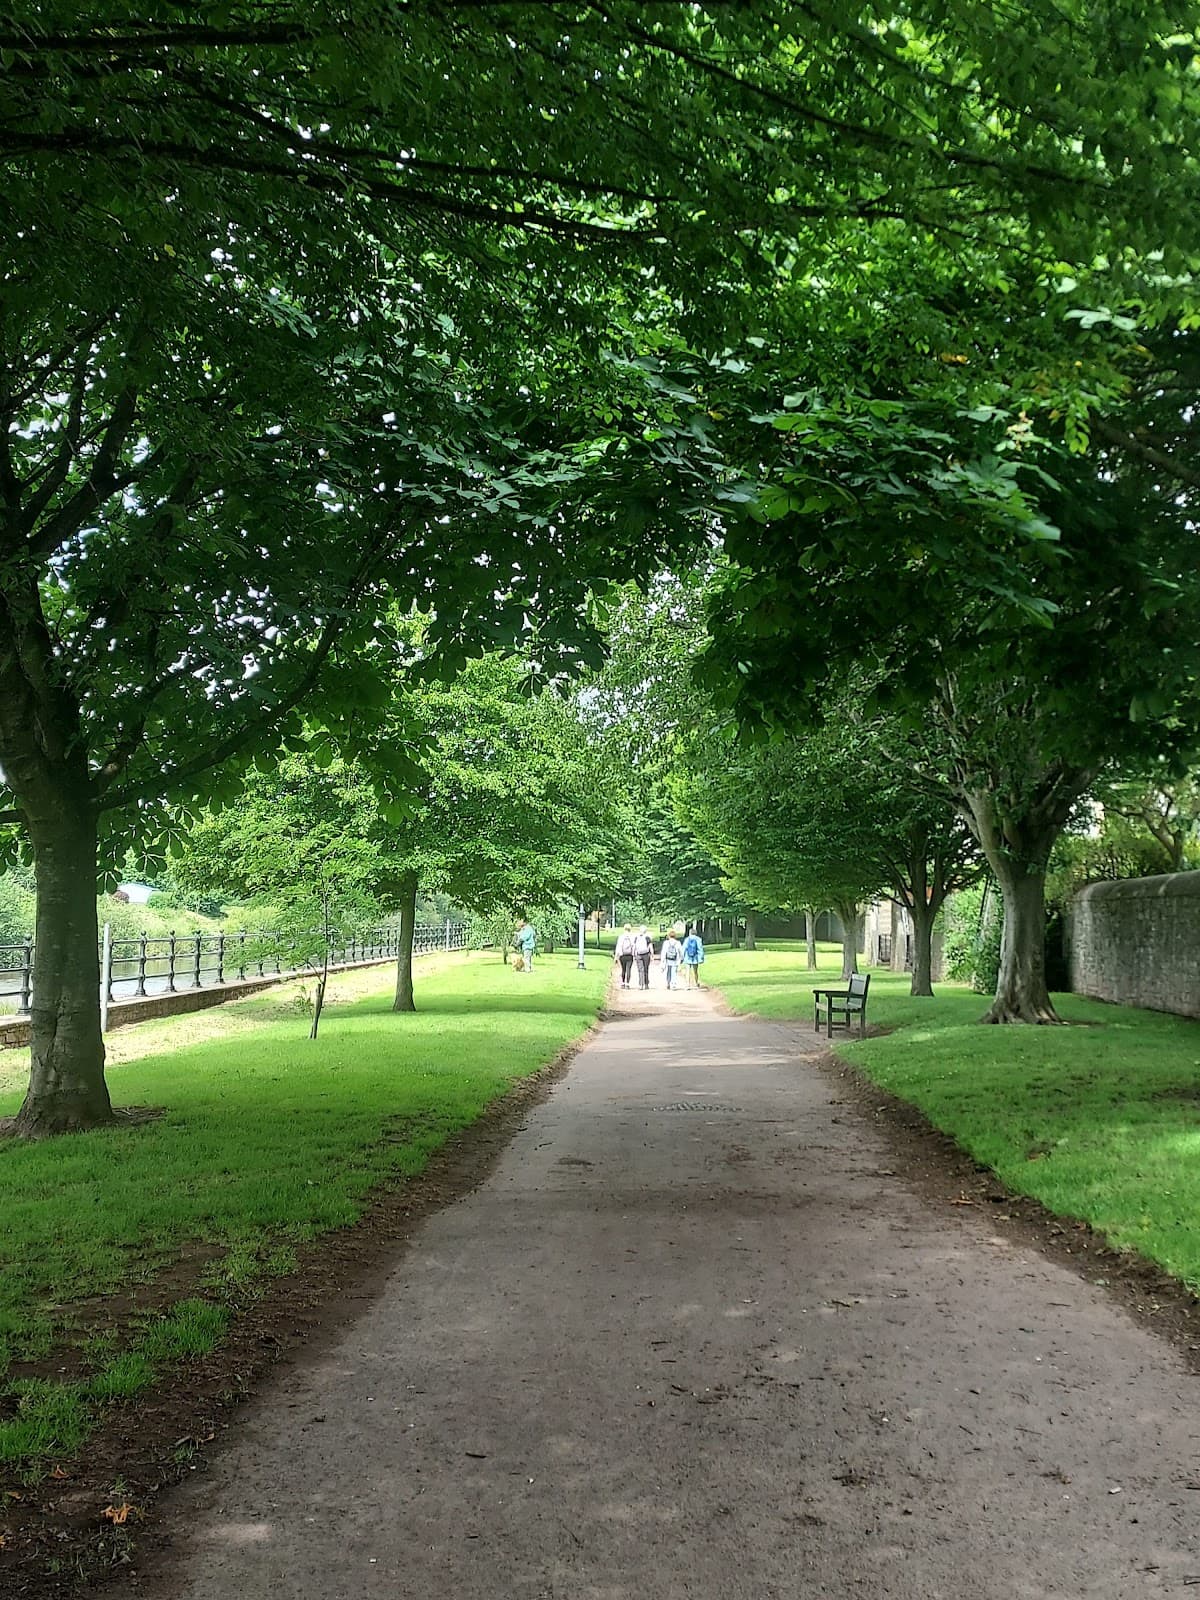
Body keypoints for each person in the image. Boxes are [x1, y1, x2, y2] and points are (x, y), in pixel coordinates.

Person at [614, 924, 635, 988]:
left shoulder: (621, 936)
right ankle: (627, 984)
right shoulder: (632, 936)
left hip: (622, 955)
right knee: (629, 969)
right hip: (630, 955)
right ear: (630, 929)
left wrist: (616, 956)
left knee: (623, 969)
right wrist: (634, 954)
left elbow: (618, 947)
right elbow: (634, 946)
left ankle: (622, 983)